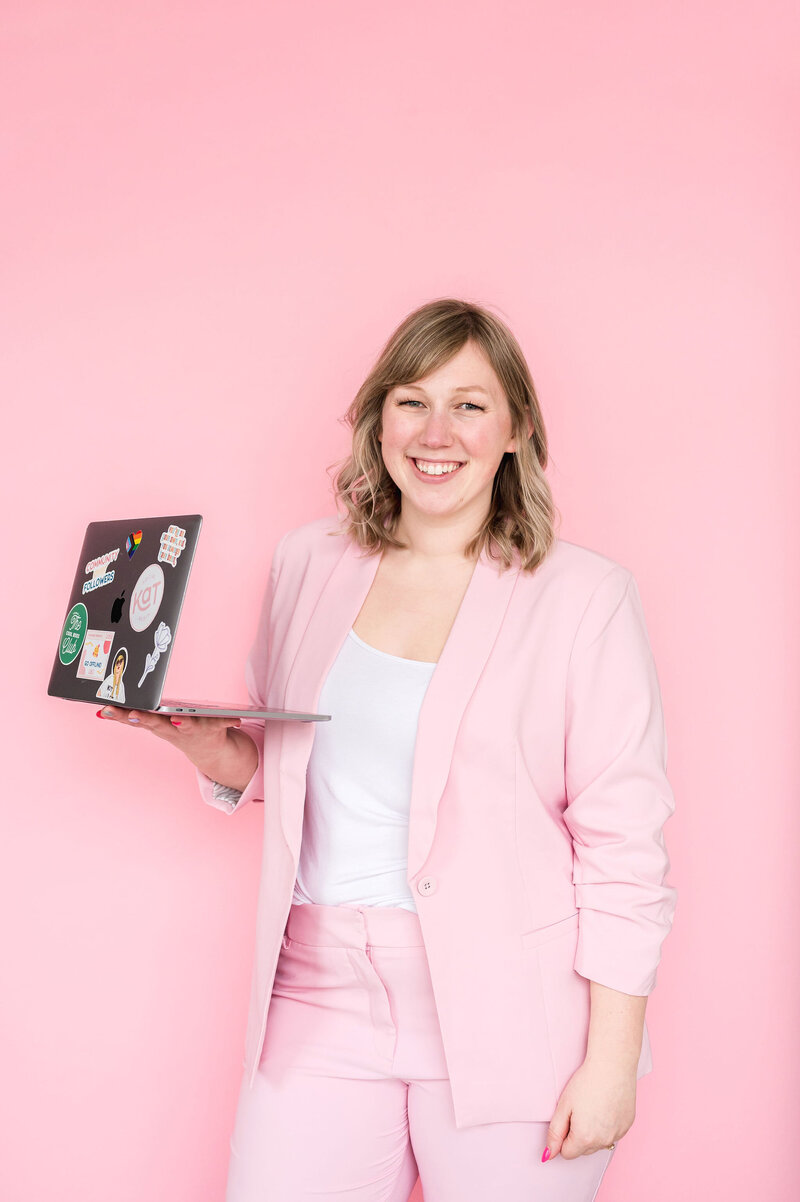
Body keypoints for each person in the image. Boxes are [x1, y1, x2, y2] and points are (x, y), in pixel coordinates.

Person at [97, 298, 677, 1201]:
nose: (436, 432)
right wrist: (214, 753)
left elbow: (625, 846)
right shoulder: (307, 564)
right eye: (411, 401)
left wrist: (613, 1061)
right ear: (378, 420)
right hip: (318, 995)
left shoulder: (584, 597)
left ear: (516, 427)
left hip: (510, 1012)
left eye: (470, 405)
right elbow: (298, 769)